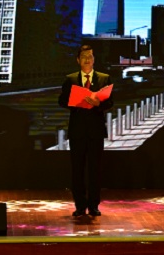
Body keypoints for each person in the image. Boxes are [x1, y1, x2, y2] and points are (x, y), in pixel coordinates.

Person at [58, 45, 113, 218]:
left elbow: (110, 102)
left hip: (96, 131)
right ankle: (80, 206)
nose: (87, 60)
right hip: (77, 131)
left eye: (90, 56)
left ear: (94, 59)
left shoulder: (104, 78)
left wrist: (98, 104)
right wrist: (74, 101)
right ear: (78, 60)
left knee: (95, 170)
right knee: (77, 170)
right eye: (84, 57)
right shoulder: (70, 79)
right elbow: (61, 101)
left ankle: (94, 206)